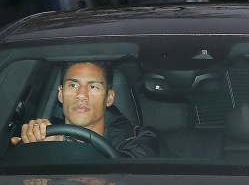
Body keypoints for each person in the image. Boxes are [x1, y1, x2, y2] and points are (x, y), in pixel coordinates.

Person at [12, 61, 159, 158]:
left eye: (93, 87)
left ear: (109, 98)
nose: (81, 95)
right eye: (73, 86)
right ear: (60, 94)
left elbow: (128, 176)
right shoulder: (45, 137)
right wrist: (29, 152)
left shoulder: (140, 139)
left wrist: (63, 143)